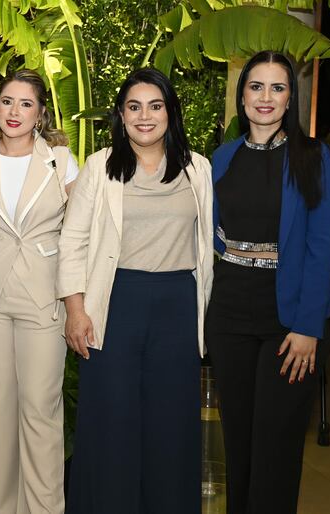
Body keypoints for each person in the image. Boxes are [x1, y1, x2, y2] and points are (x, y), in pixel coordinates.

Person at [57, 68, 213, 514]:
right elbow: (73, 241)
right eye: (134, 106)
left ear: (170, 112)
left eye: (155, 105)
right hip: (114, 304)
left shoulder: (197, 169)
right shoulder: (100, 168)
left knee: (171, 427)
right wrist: (75, 310)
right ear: (122, 116)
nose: (145, 116)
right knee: (112, 422)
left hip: (178, 308)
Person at [207, 50, 330, 514]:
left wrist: (307, 327)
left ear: (290, 99)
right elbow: (212, 236)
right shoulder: (221, 158)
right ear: (242, 97)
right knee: (239, 444)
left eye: (277, 88)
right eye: (256, 87)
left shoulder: (314, 157)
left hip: (290, 322)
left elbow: (322, 247)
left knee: (275, 448)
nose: (266, 97)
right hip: (229, 315)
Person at [0, 69, 78, 514]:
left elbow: (80, 230)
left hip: (43, 296)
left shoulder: (63, 161)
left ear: (40, 113)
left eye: (25, 104)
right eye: (8, 101)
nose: (14, 112)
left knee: (40, 410)